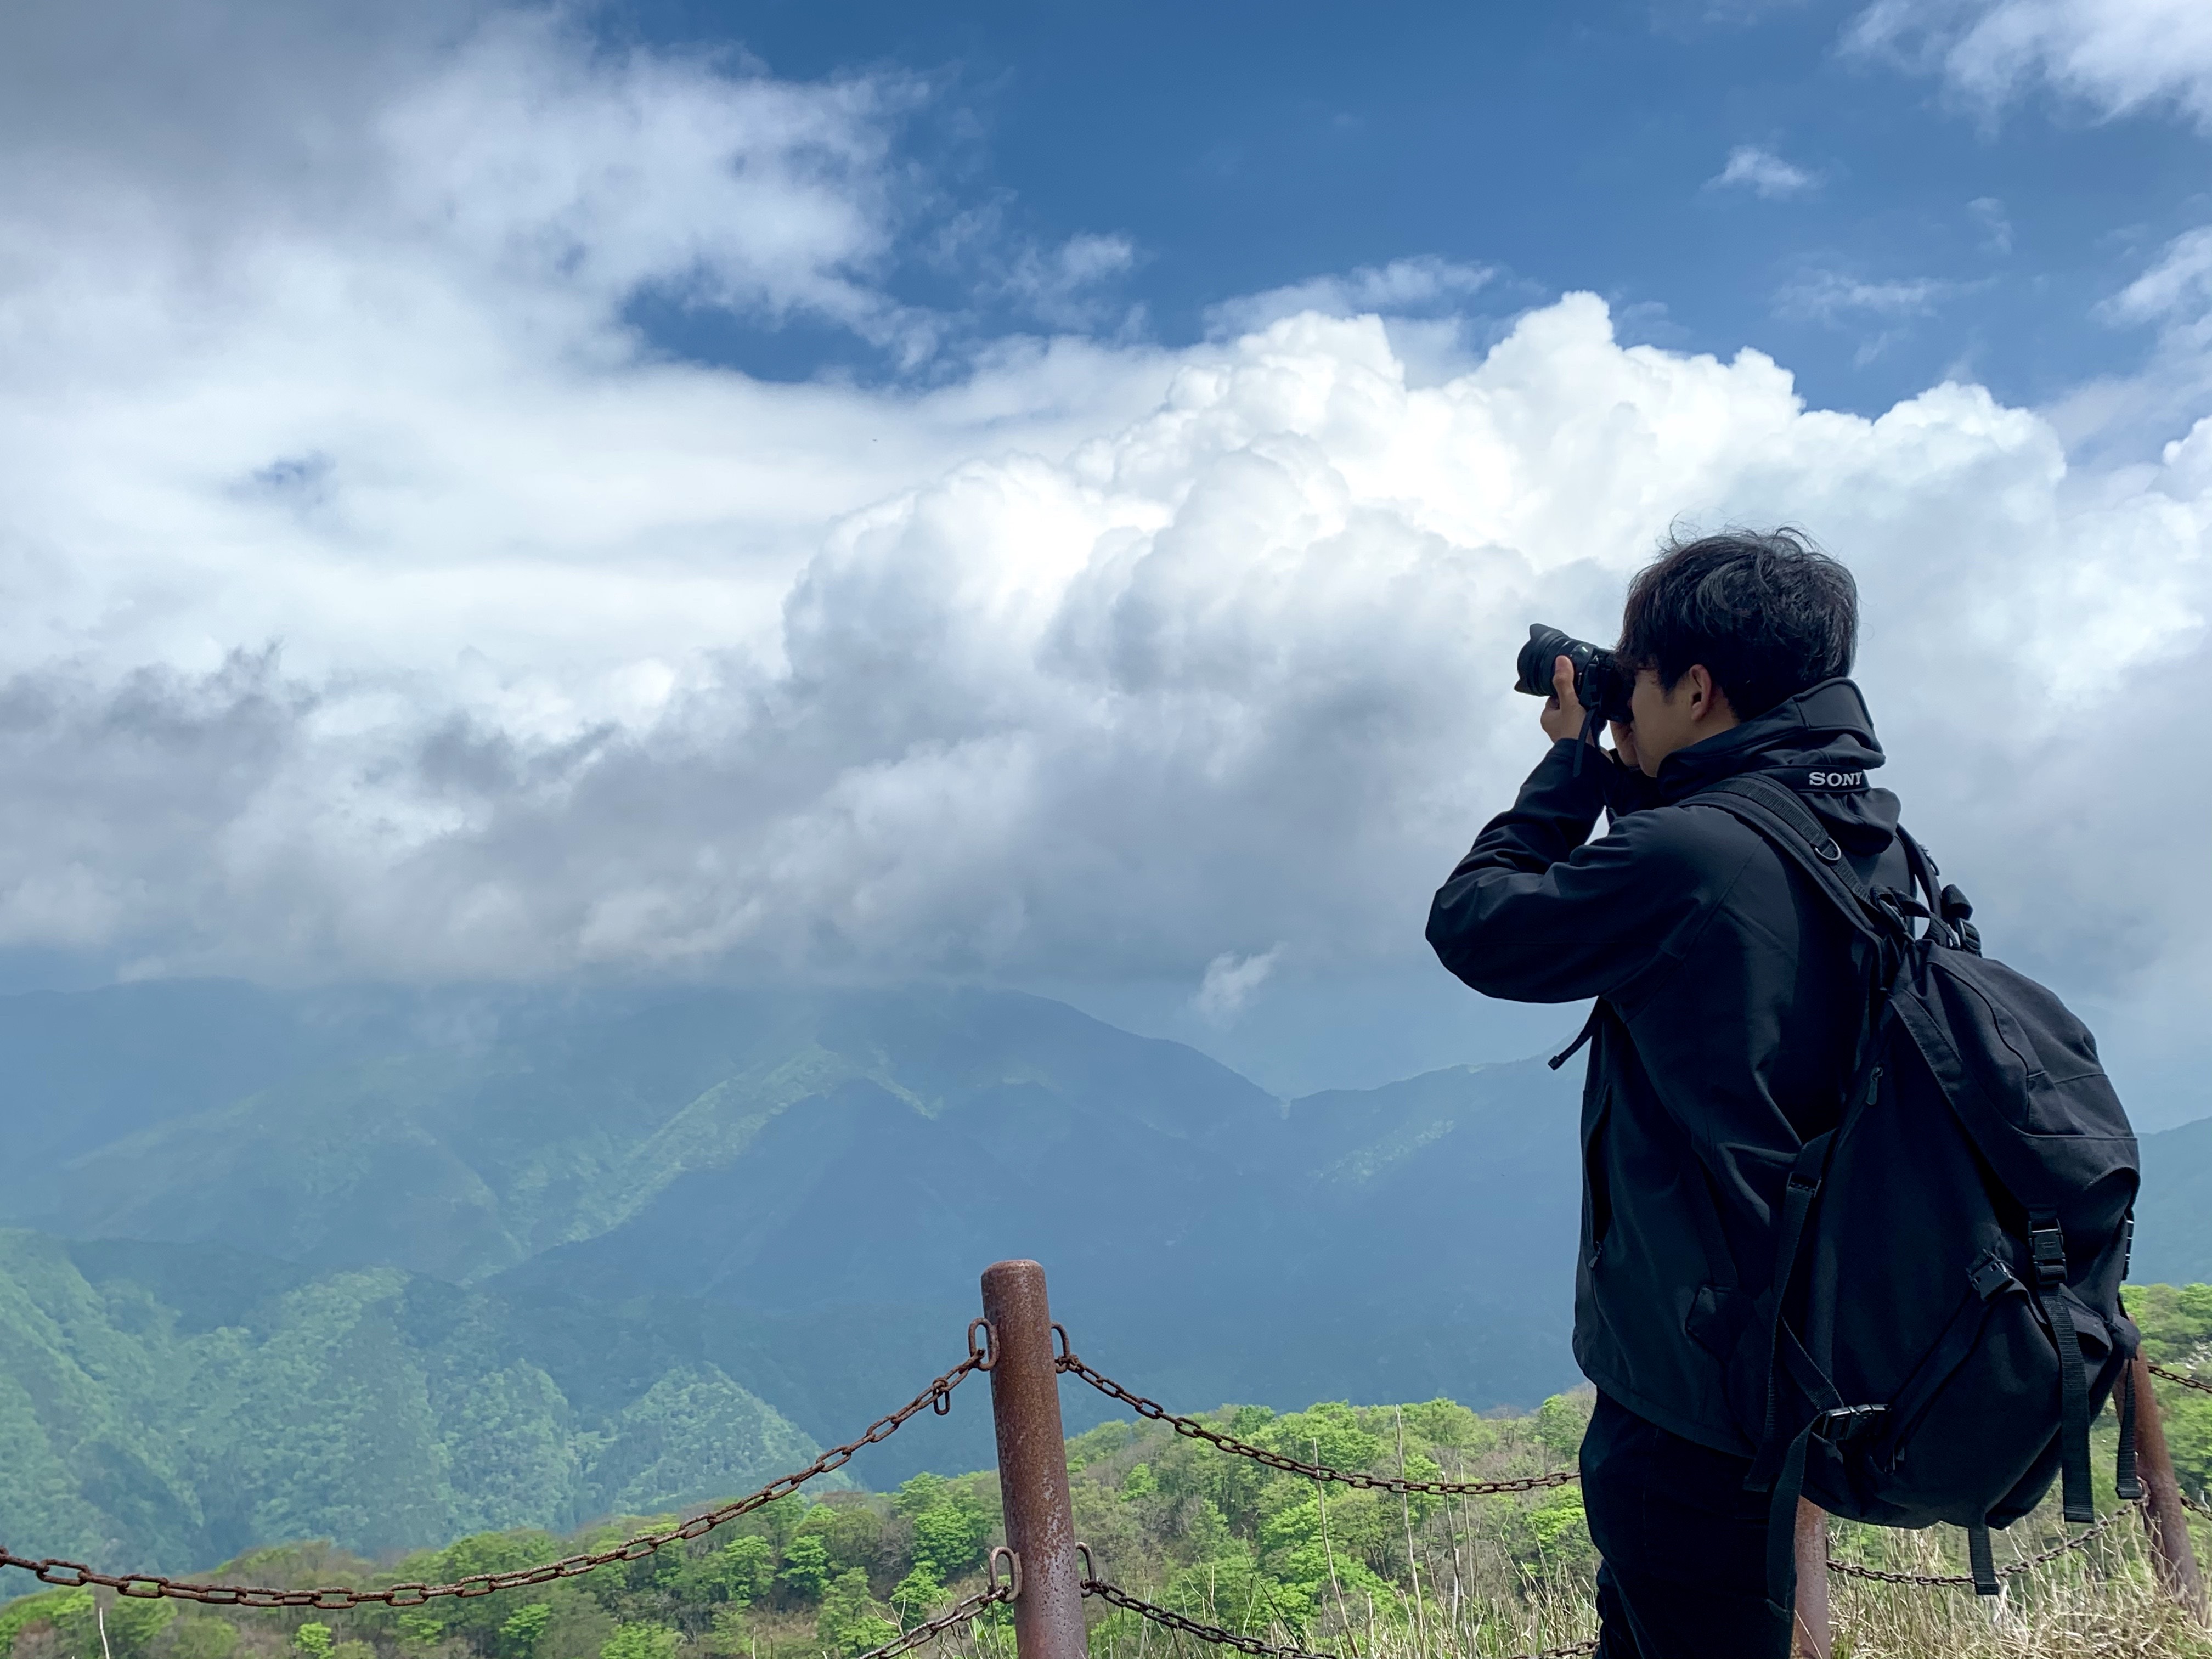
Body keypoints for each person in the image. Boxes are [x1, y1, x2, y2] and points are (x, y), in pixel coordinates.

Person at [1425, 528, 1904, 1659]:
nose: (1620, 698)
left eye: (1638, 678)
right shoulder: (1859, 835)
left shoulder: (1694, 857)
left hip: (1694, 1391)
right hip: (1798, 1350)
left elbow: (1477, 925)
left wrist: (1572, 761)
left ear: (1697, 687)